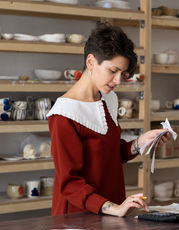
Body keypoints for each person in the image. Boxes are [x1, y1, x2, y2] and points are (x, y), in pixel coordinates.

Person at [47, 23, 171, 217]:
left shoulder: (108, 99)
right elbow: (69, 183)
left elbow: (108, 154)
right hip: (77, 217)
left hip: (112, 211)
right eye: (113, 71)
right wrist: (113, 208)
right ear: (90, 62)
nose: (118, 81)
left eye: (123, 73)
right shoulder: (64, 114)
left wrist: (140, 143)